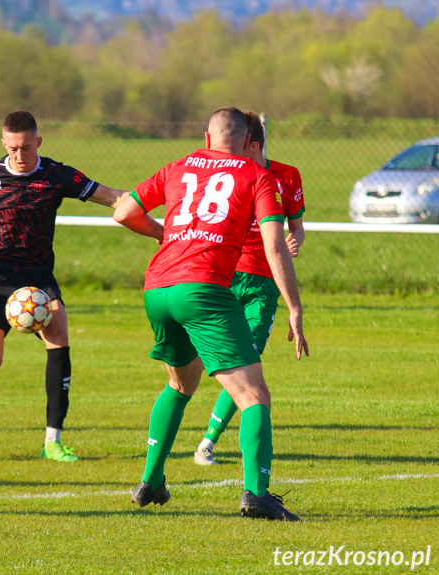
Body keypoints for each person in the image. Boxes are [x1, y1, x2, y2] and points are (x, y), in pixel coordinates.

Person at [113, 107, 308, 521]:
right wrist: (294, 306)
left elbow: (123, 211)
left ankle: (151, 481)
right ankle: (257, 494)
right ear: (247, 142)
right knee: (253, 395)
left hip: (157, 288)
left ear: (207, 137)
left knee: (181, 384)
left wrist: (163, 233)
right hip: (202, 289)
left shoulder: (179, 166)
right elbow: (275, 247)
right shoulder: (258, 176)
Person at [0, 110, 159, 462]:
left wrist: (160, 201)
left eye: (26, 147)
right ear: (3, 144)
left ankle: (52, 440)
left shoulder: (57, 175)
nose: (20, 156)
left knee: (60, 342)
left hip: (37, 279)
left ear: (38, 141)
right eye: (13, 148)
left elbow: (113, 196)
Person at [193, 110, 306, 466]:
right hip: (224, 276)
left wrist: (294, 240)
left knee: (246, 360)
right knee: (201, 365)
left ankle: (207, 443)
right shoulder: (228, 175)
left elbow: (297, 228)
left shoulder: (286, 176)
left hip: (263, 285)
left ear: (252, 145)